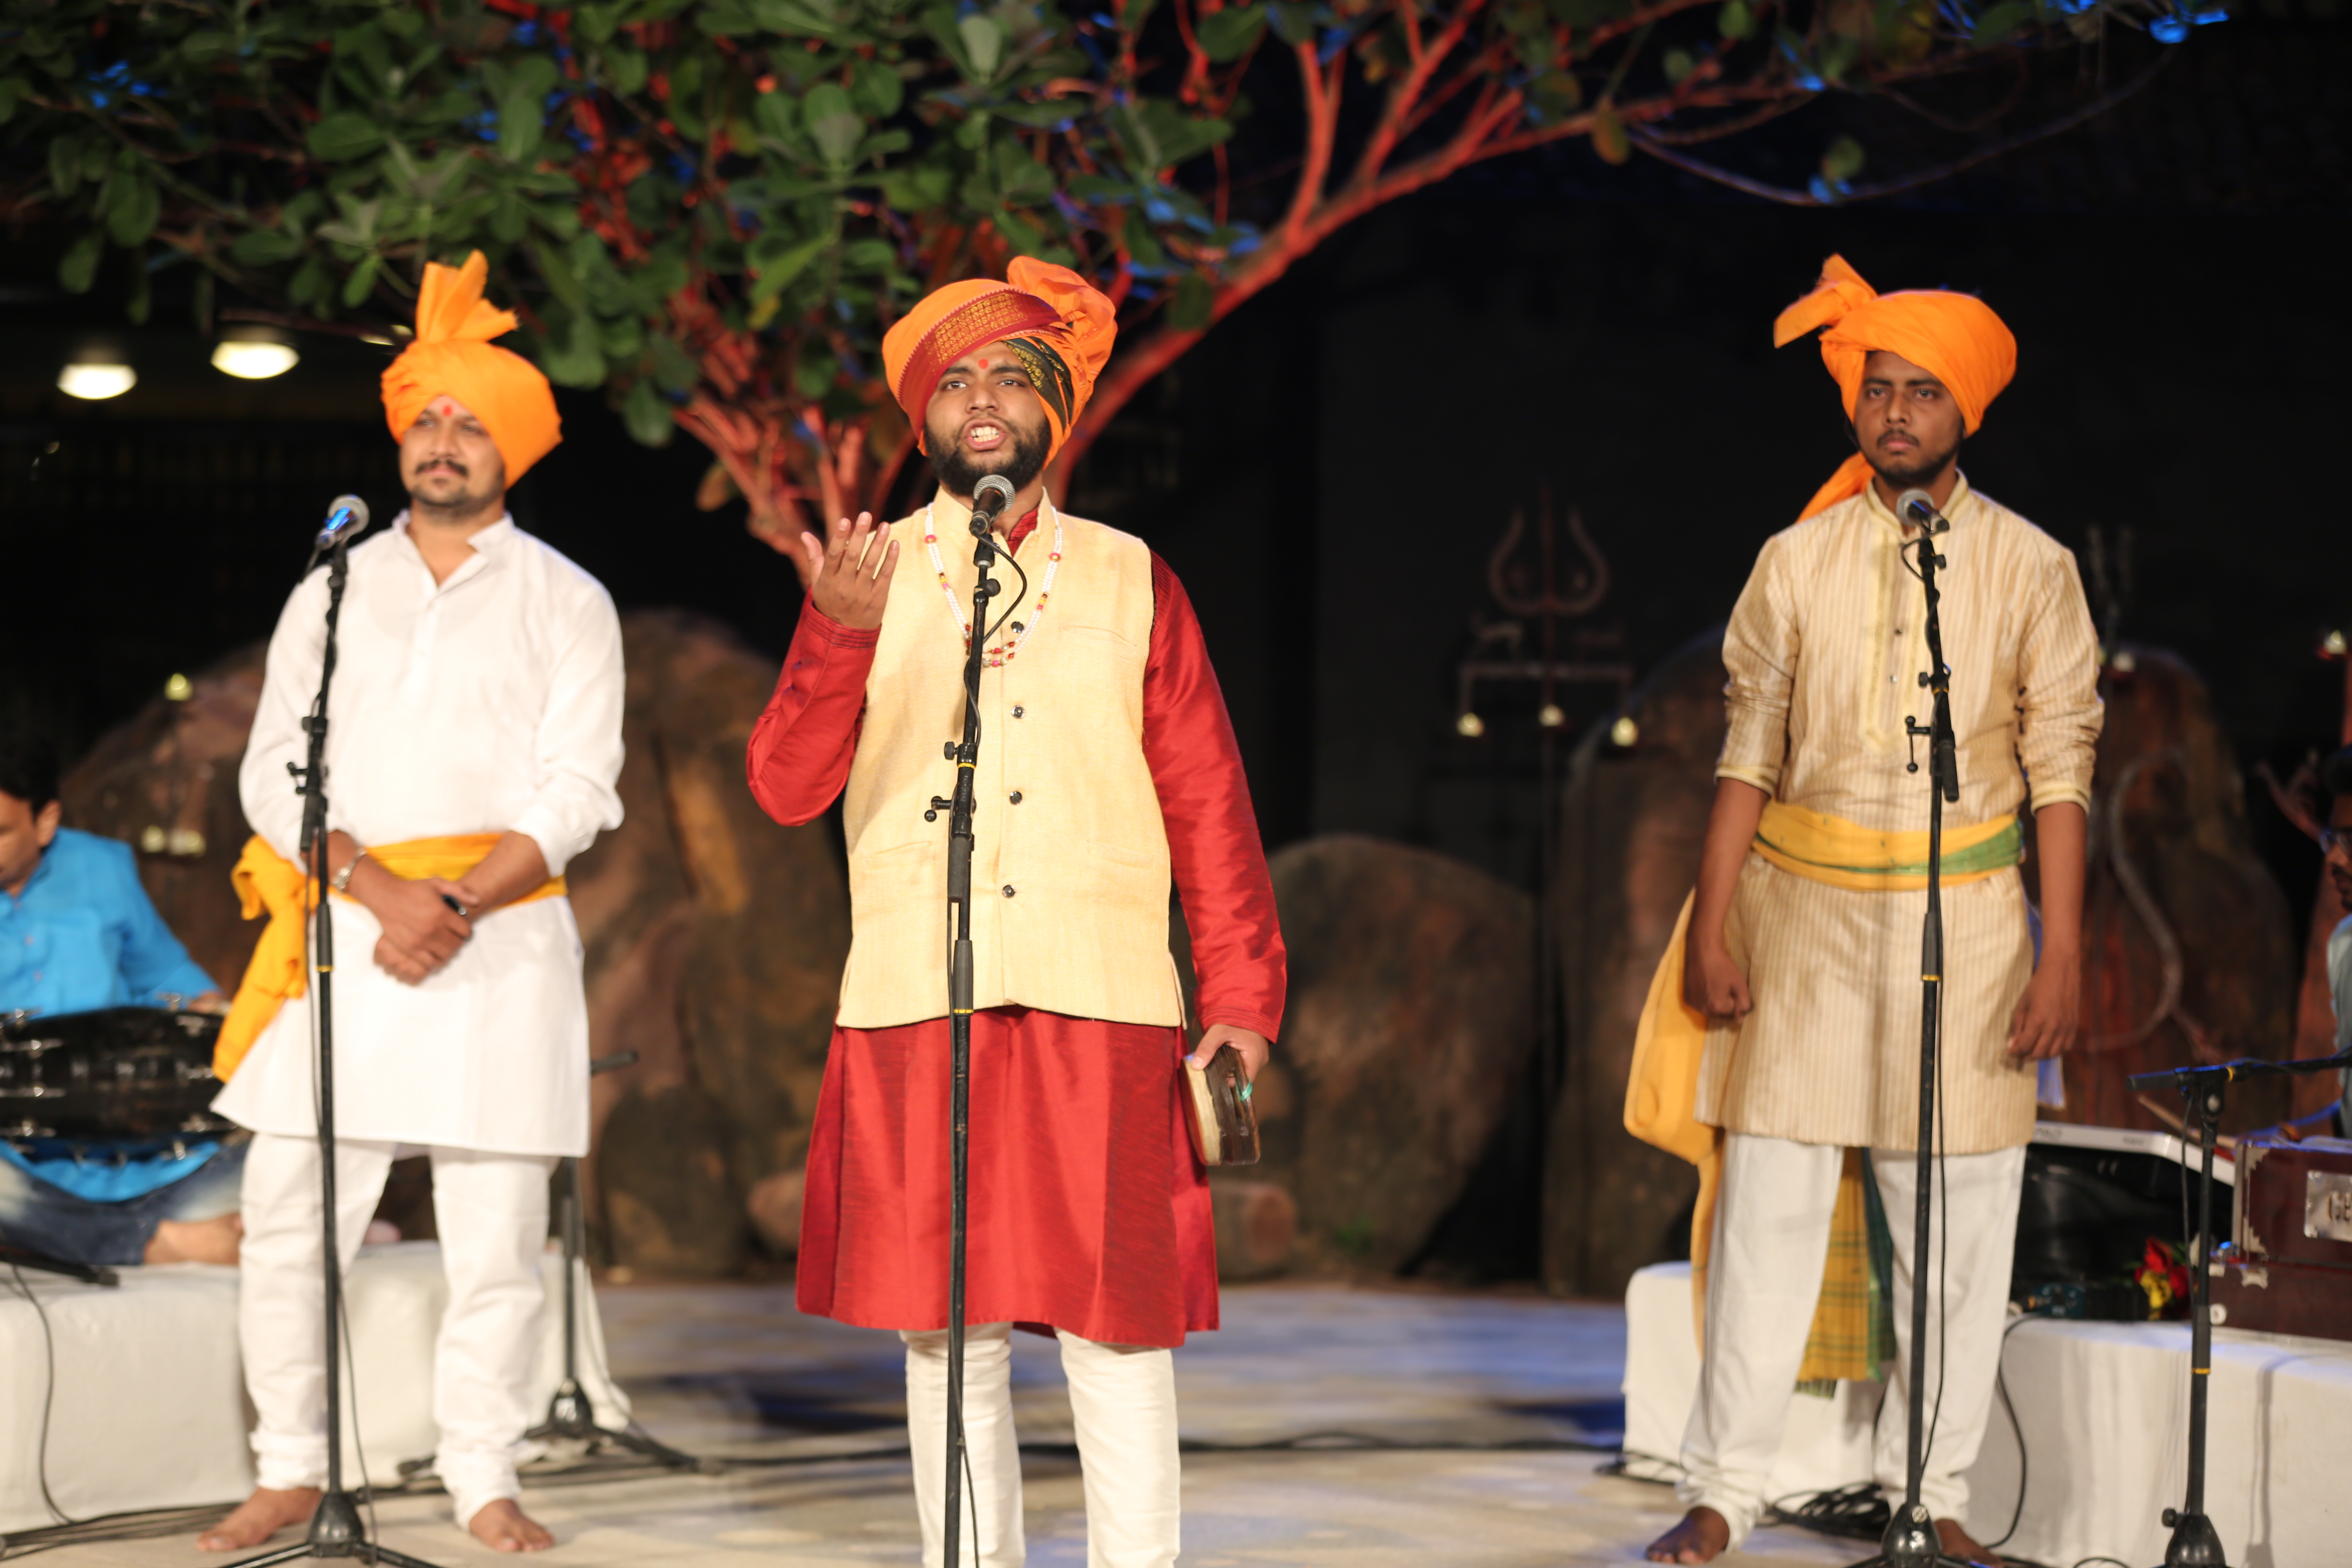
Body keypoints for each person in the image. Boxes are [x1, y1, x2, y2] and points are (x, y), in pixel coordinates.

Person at [745, 258, 1286, 1568]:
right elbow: (784, 788)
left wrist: (1242, 1004)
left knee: (1115, 1328)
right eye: (954, 380)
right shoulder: (870, 572)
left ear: (1055, 409)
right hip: (917, 999)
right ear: (921, 420)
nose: (979, 397)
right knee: (948, 1335)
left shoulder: (1133, 577)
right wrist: (835, 639)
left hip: (1101, 999)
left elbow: (1209, 802)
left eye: (1008, 375)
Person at [1640, 256, 2104, 1566]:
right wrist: (1716, 921)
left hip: (1970, 926)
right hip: (1803, 927)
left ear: (1969, 411)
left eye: (1922, 393)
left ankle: (1936, 1499)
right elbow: (1746, 756)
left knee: (1957, 1238)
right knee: (1767, 1230)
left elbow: (2064, 769)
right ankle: (1724, 1489)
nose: (1894, 412)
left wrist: (2062, 950)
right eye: (1879, 388)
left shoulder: (2032, 569)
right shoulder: (1793, 561)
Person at [196, 253, 624, 1555]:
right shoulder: (331, 584)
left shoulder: (568, 599)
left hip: (501, 941)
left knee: (494, 1236)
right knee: (289, 1217)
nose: (444, 441)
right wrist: (382, 892)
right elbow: (275, 766)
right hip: (354, 932)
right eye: (428, 418)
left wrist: (454, 901)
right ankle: (288, 1468)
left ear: (519, 450)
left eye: (472, 422)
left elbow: (580, 788)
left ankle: (482, 1474)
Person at [0, 719, 241, 1268]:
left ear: (46, 821)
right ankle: (158, 1244)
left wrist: (218, 1018)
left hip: (143, 1144)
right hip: (20, 1164)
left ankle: (123, 1234)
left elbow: (165, 978)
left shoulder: (101, 867)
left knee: (284, 1161)